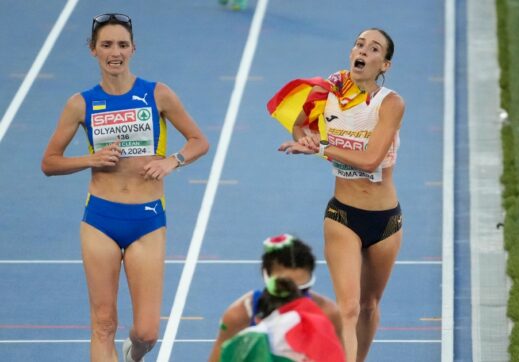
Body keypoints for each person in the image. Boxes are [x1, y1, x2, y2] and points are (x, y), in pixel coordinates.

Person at [40, 13, 209, 362]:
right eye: (106, 45)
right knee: (103, 324)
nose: (114, 52)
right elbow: (50, 162)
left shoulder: (157, 94)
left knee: (147, 331)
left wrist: (172, 160)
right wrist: (90, 160)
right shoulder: (80, 103)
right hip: (101, 217)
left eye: (121, 44)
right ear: (93, 50)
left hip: (147, 220)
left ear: (133, 49)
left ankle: (134, 354)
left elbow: (198, 141)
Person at [268, 28, 404, 362]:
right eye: (359, 44)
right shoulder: (327, 92)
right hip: (343, 215)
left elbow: (372, 159)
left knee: (370, 305)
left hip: (386, 220)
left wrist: (325, 146)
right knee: (349, 307)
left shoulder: (391, 104)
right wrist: (307, 140)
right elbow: (300, 125)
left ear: (384, 64)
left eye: (373, 49)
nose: (363, 51)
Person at [209, 234, 343, 362]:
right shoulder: (239, 316)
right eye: (285, 288)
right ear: (266, 276)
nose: (295, 298)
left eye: (302, 290)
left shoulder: (328, 313)